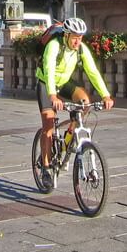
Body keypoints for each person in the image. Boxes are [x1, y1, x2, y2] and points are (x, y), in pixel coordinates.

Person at [35, 17, 114, 186]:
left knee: (84, 101)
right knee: (48, 124)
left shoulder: (81, 49)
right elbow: (48, 70)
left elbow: (93, 72)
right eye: (74, 37)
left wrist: (105, 95)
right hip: (46, 84)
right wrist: (52, 96)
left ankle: (70, 133)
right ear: (66, 35)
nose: (78, 41)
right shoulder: (54, 46)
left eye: (80, 37)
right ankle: (46, 168)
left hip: (64, 83)